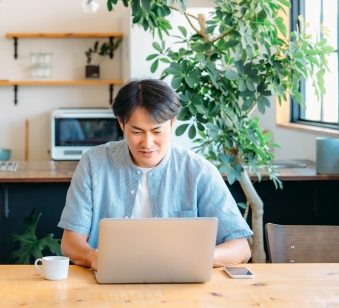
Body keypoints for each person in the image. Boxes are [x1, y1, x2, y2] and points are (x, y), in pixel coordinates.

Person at [58, 78, 252, 270]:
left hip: (180, 284)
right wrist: (93, 257)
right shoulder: (94, 163)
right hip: (108, 281)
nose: (147, 143)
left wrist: (195, 257)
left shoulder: (200, 171)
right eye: (137, 132)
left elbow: (240, 248)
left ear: (173, 123)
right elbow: (71, 241)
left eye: (157, 131)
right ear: (121, 124)